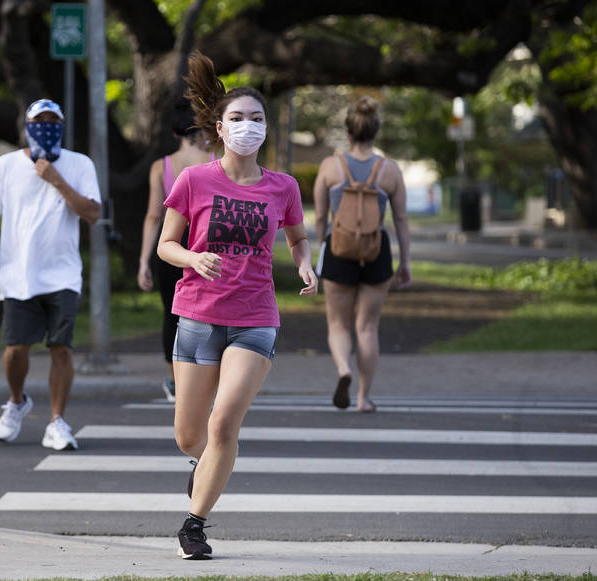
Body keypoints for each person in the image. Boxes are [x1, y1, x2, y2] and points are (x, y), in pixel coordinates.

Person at [157, 52, 317, 560]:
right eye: (238, 118)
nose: (248, 126)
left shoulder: (283, 186)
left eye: (257, 118)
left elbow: (295, 238)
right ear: (219, 129)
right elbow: (165, 245)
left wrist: (306, 264)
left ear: (265, 129)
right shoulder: (194, 181)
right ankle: (200, 467)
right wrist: (192, 256)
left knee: (225, 422)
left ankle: (194, 525)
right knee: (190, 438)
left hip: (255, 318)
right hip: (199, 316)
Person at [0, 98, 101, 451]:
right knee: (15, 350)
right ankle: (16, 402)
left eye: (53, 121)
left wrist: (56, 180)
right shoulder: (5, 166)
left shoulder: (79, 164)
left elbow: (91, 212)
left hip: (63, 274)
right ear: (26, 125)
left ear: (62, 125)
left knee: (62, 349)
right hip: (17, 275)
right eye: (39, 120)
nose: (47, 126)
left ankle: (57, 421)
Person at [313, 95, 411, 413]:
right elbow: (400, 220)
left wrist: (322, 244)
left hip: (339, 250)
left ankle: (343, 368)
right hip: (376, 252)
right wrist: (405, 261)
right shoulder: (390, 170)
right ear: (375, 131)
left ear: (349, 132)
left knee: (338, 325)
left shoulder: (331, 166)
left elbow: (319, 215)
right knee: (367, 327)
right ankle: (363, 397)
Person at [137, 99, 215, 402]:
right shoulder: (215, 162)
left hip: (171, 247)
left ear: (174, 131)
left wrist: (144, 260)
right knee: (210, 313)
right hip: (208, 246)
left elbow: (153, 216)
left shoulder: (162, 167)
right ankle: (206, 377)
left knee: (173, 315)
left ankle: (174, 381)